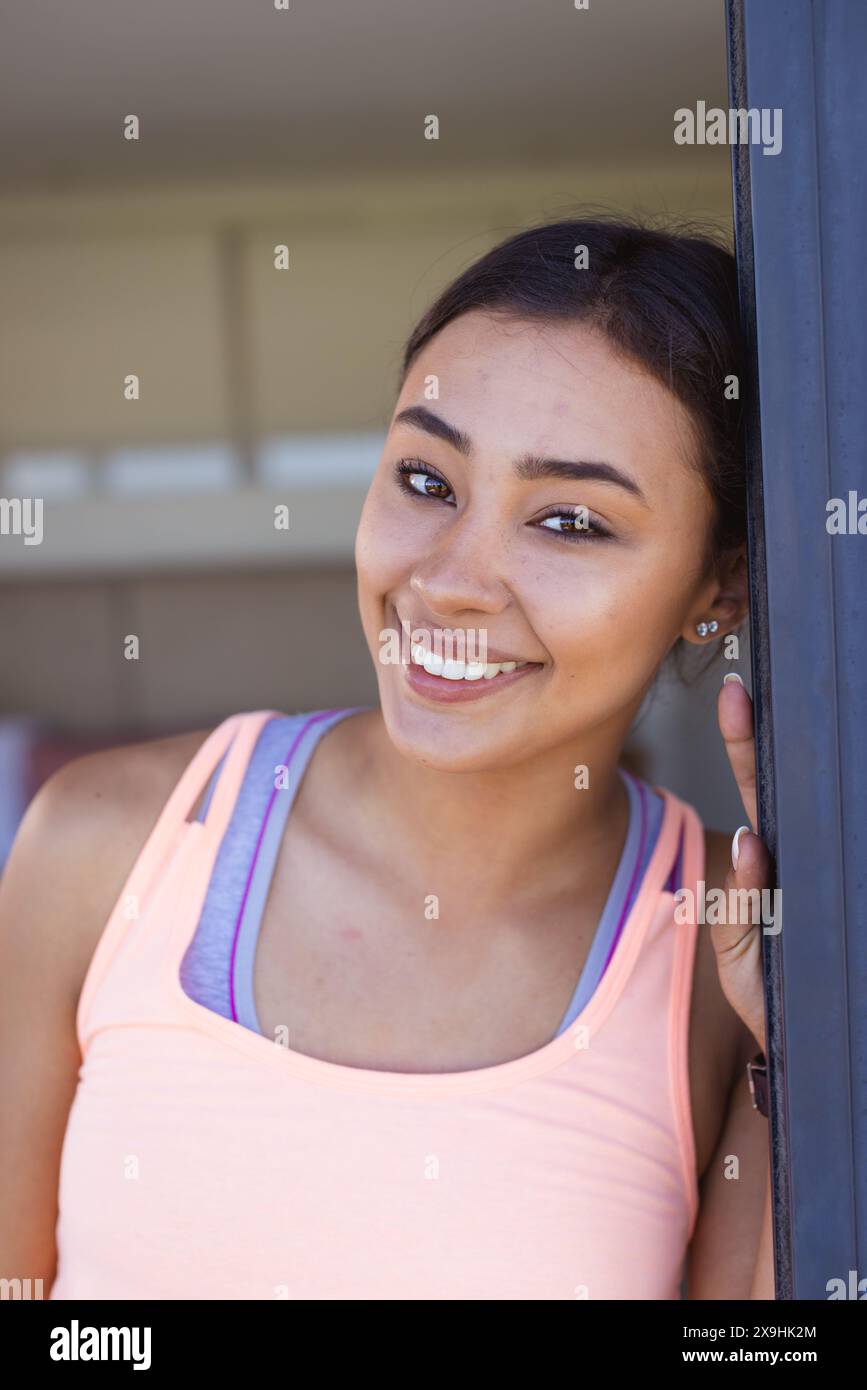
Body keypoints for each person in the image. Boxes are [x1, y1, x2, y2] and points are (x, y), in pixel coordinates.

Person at [0, 215, 773, 1300]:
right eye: (426, 480)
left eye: (568, 522)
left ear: (719, 588)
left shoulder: (723, 973)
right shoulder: (105, 844)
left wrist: (809, 1049)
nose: (452, 580)